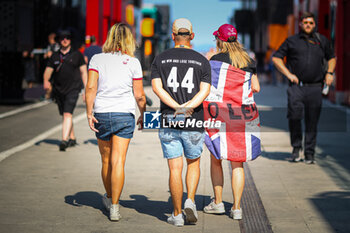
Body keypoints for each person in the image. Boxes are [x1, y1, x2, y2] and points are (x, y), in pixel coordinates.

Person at [151, 18, 211, 226]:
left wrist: (176, 107)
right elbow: (205, 91)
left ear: (173, 35)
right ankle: (190, 201)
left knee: (174, 168)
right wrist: (187, 108)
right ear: (192, 36)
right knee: (193, 163)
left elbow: (157, 88)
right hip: (193, 120)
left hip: (169, 119)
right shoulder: (201, 60)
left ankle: (176, 215)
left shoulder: (160, 58)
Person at [85, 23, 146, 221]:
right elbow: (139, 95)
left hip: (102, 112)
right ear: (129, 39)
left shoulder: (97, 58)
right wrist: (143, 114)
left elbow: (91, 87)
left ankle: (109, 195)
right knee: (118, 161)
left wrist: (88, 112)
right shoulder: (133, 62)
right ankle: (115, 206)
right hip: (124, 114)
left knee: (105, 160)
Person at [203, 24, 260, 220]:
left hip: (219, 115)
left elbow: (208, 86)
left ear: (219, 40)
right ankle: (236, 208)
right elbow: (257, 87)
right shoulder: (249, 61)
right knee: (238, 163)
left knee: (216, 158)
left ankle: (218, 203)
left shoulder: (215, 60)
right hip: (241, 117)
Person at [272, 12, 336, 164]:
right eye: (305, 22)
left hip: (315, 87)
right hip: (296, 88)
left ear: (314, 25)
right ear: (300, 24)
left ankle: (309, 153)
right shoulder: (292, 41)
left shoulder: (322, 41)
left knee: (312, 121)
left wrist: (330, 73)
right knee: (294, 117)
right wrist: (288, 74)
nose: (308, 25)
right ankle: (296, 149)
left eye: (311, 23)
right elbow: (276, 57)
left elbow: (332, 57)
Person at [43, 30, 88, 151]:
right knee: (66, 114)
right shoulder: (55, 56)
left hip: (73, 89)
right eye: (62, 38)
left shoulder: (77, 55)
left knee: (67, 113)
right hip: (59, 90)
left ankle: (64, 140)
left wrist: (86, 90)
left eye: (67, 37)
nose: (64, 40)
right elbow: (48, 70)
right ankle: (72, 138)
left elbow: (84, 73)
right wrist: (46, 81)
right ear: (59, 40)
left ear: (70, 39)